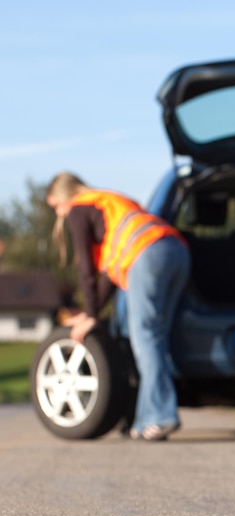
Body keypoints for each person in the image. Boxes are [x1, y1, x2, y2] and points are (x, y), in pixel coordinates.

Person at [46, 171, 190, 441]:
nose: (60, 215)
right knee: (155, 338)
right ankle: (144, 421)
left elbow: (87, 269)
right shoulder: (108, 200)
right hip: (175, 250)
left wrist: (89, 314)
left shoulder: (79, 208)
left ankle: (161, 416)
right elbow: (110, 272)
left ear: (64, 197)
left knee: (144, 337)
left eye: (56, 206)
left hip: (146, 254)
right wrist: (94, 313)